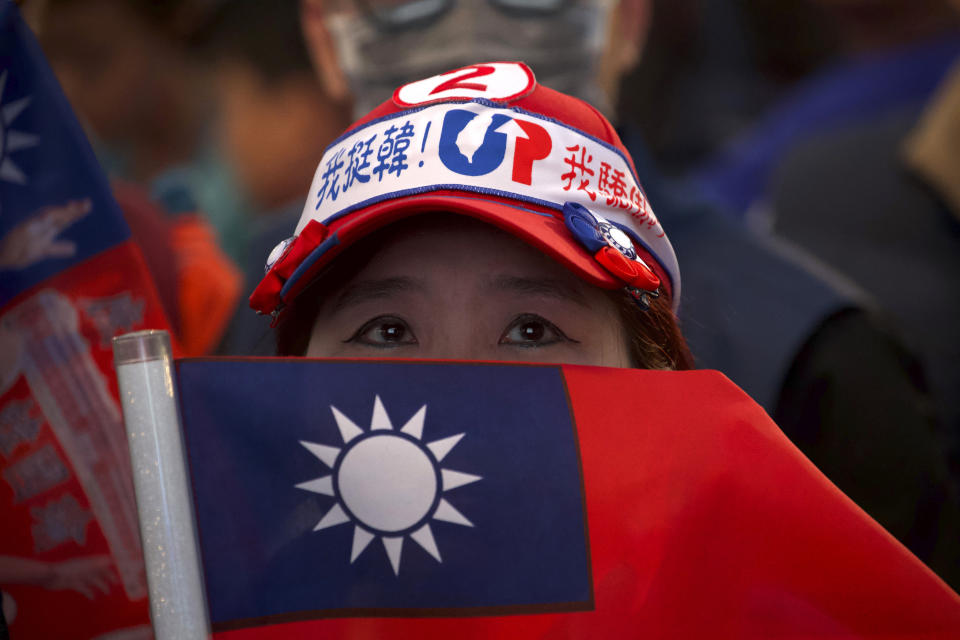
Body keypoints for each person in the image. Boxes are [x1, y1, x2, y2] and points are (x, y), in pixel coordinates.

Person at [296, 0, 959, 588]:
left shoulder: (815, 358)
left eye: (531, 330)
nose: (451, 395)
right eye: (386, 330)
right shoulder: (218, 541)